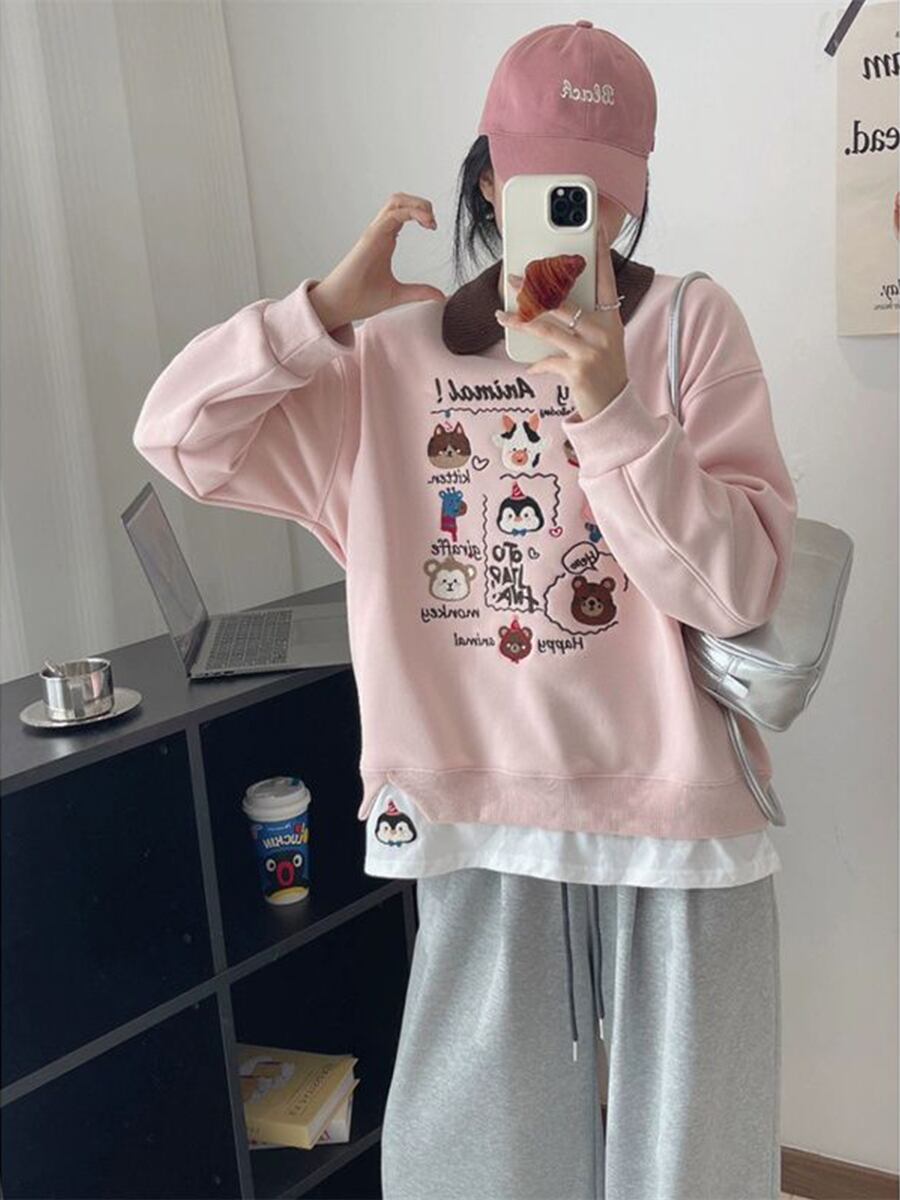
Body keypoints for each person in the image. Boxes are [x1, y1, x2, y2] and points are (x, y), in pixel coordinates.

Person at [132, 19, 796, 1199]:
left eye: (606, 190)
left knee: (694, 1171)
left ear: (638, 190)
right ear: (491, 178)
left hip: (682, 814)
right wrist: (314, 314)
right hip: (479, 809)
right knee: (476, 1169)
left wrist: (612, 409)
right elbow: (178, 436)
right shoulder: (388, 359)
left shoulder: (692, 328)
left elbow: (737, 589)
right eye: (550, 185)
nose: (585, 216)